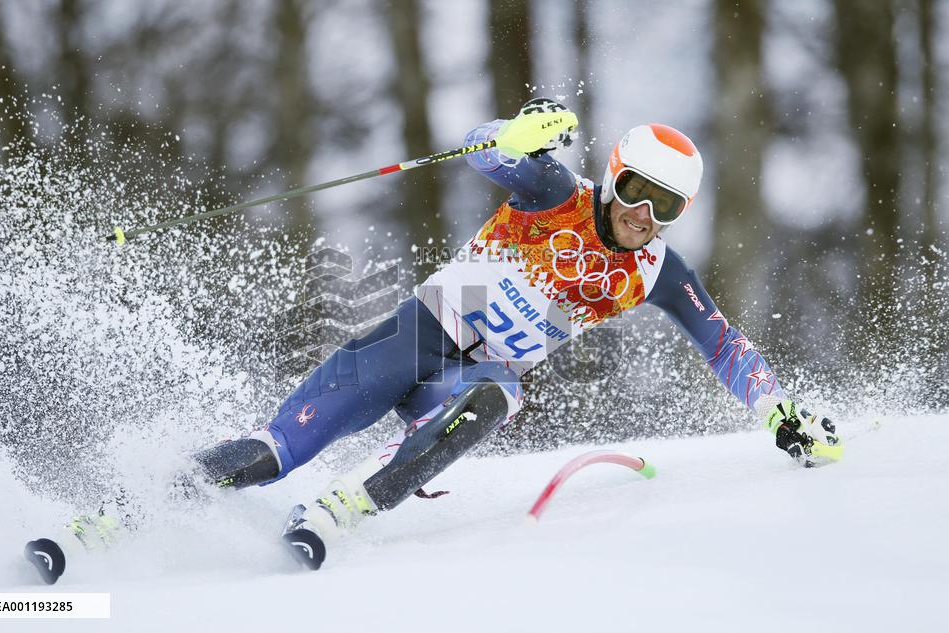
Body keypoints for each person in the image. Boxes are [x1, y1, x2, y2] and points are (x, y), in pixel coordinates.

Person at [68, 99, 844, 574]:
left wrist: (781, 412)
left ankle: (346, 507)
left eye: (667, 206)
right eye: (640, 191)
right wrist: (514, 130)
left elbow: (725, 345)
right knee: (276, 450)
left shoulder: (656, 275)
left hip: (468, 379)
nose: (646, 215)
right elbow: (486, 149)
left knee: (491, 395)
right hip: (411, 337)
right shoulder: (554, 190)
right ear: (614, 175)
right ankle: (121, 509)